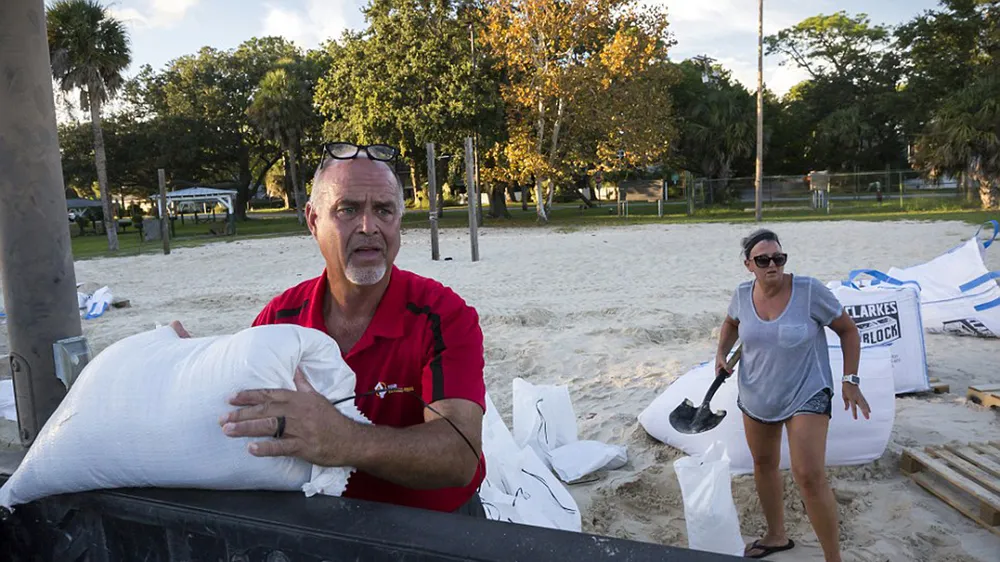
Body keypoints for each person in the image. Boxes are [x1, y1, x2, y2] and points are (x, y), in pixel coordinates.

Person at [215, 141, 487, 517]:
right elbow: (238, 416)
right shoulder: (280, 318)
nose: (369, 227)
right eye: (348, 209)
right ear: (313, 221)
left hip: (433, 528)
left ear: (399, 222)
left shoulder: (442, 315)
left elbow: (460, 455)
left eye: (384, 210)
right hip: (317, 522)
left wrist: (342, 440)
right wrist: (189, 368)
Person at [715, 228, 870, 561]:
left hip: (807, 391)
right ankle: (776, 536)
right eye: (763, 260)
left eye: (779, 258)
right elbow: (731, 324)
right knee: (764, 464)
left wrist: (850, 380)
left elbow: (848, 330)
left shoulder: (809, 291)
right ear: (748, 265)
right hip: (757, 393)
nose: (772, 265)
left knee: (809, 475)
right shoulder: (741, 295)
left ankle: (833, 558)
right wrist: (721, 353)